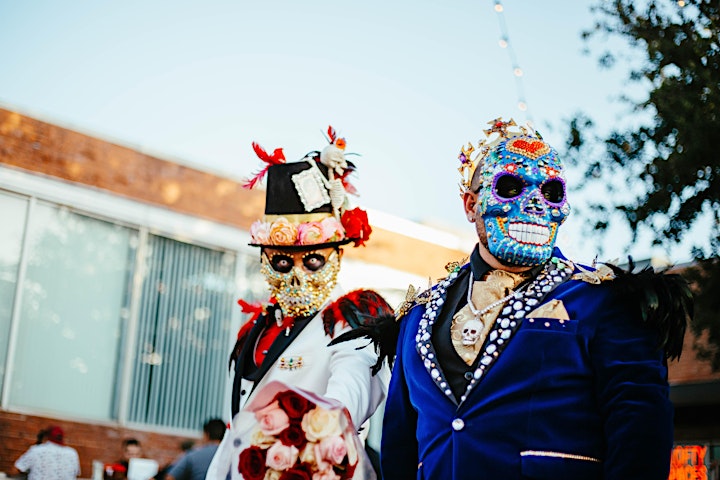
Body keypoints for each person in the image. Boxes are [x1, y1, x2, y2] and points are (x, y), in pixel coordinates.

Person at [379, 118, 693, 479]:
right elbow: (400, 448)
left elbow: (640, 436)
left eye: (551, 192)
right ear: (470, 205)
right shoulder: (418, 316)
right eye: (510, 187)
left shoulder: (603, 301)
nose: (533, 205)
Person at [206, 126, 393, 479]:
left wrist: (326, 424)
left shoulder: (349, 321)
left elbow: (352, 385)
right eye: (281, 261)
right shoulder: (256, 332)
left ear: (337, 256)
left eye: (312, 261)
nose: (296, 275)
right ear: (265, 260)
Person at [12, 425, 81, 480]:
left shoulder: (36, 450)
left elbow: (15, 470)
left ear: (46, 437)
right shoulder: (72, 453)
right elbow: (75, 474)